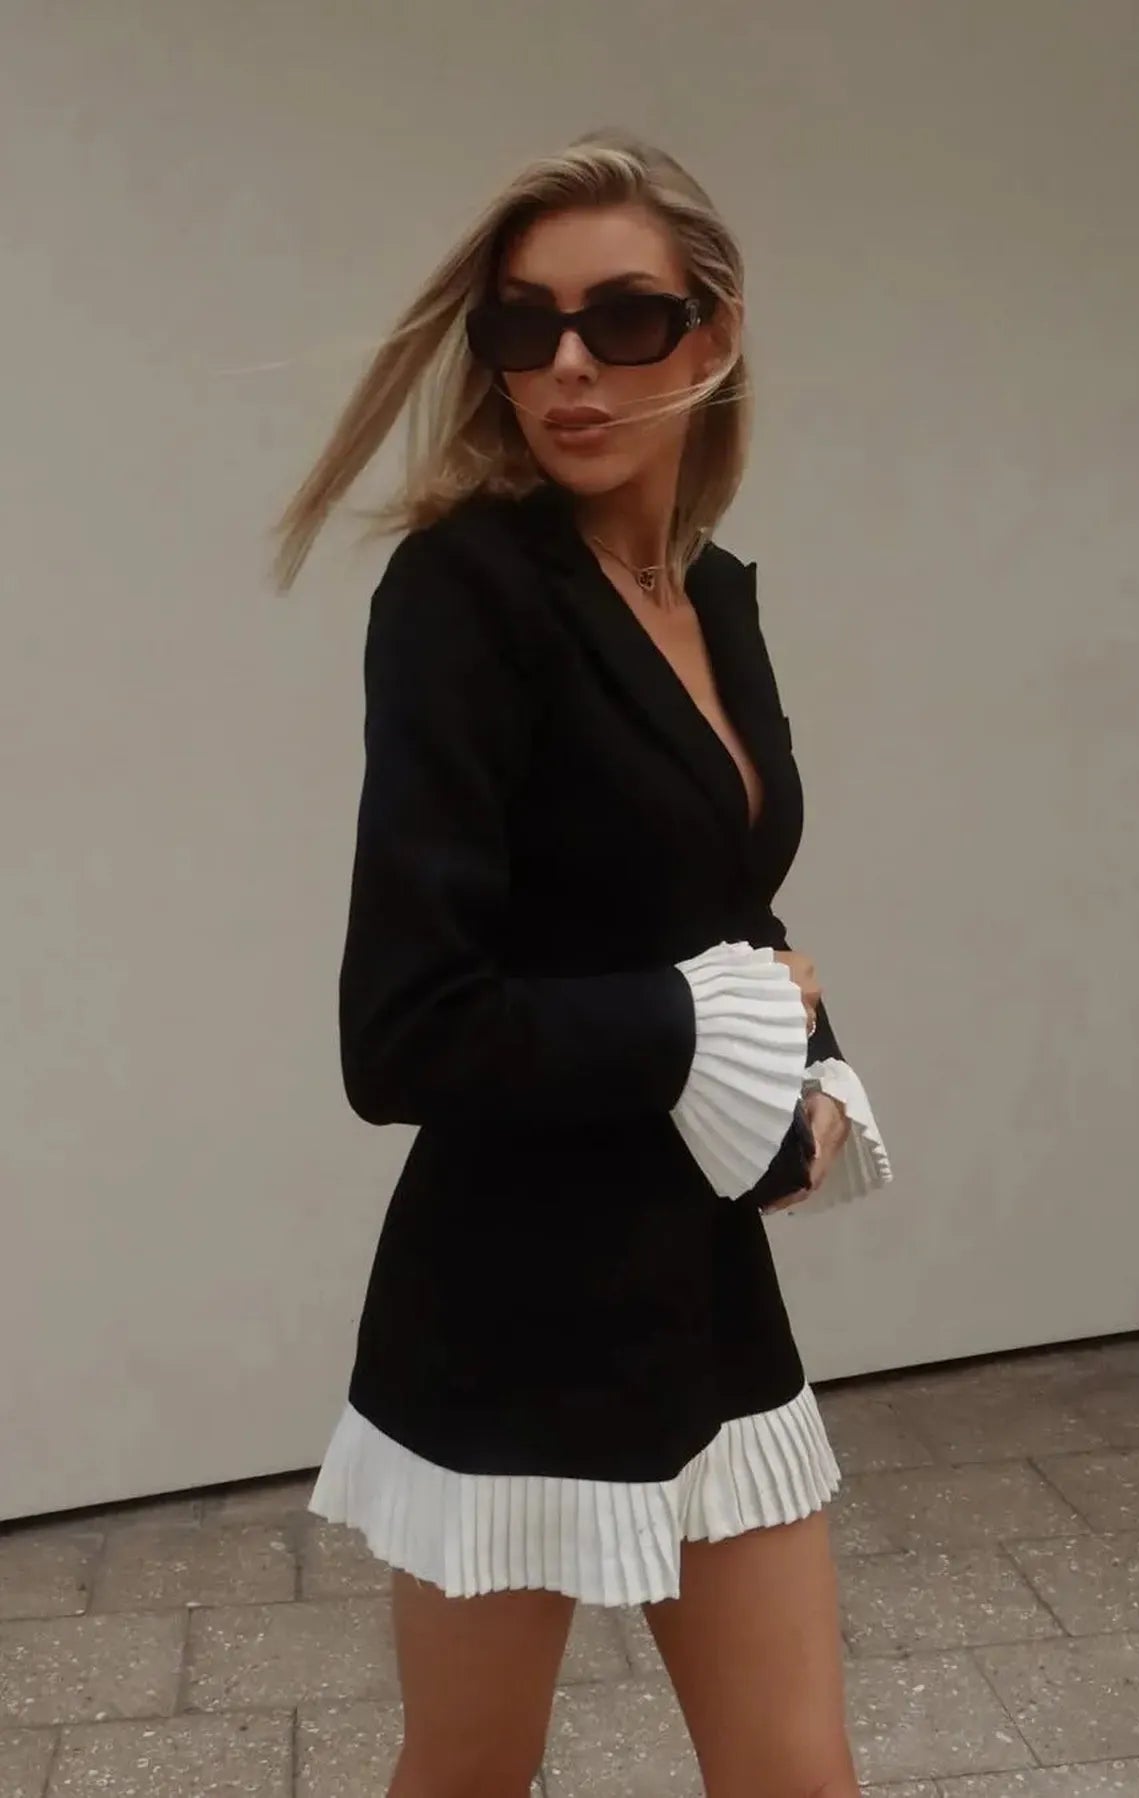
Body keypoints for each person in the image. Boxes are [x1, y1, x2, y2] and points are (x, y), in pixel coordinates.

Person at [276, 129, 890, 1798]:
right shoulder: (463, 597)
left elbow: (719, 900)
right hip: (506, 1305)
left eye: (622, 319)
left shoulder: (711, 596)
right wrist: (700, 1026)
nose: (568, 364)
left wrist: (815, 1062)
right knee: (471, 1772)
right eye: (522, 324)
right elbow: (404, 1028)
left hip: (702, 1288)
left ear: (712, 333)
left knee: (800, 1777)